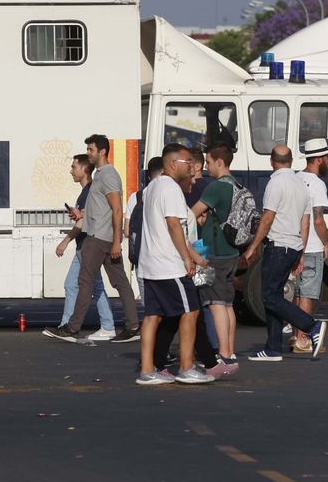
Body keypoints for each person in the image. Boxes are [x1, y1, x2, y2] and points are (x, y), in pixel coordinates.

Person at [135, 144, 213, 385]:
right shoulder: (171, 188)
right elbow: (174, 226)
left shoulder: (152, 187)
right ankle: (187, 367)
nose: (192, 167)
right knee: (191, 311)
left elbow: (166, 228)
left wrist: (195, 257)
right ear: (172, 164)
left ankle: (148, 370)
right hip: (169, 265)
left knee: (152, 316)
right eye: (187, 162)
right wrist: (187, 258)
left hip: (150, 263)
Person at [50, 134, 139, 342]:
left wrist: (117, 242)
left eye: (91, 150)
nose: (88, 153)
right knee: (120, 283)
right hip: (103, 236)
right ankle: (132, 326)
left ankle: (72, 329)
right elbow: (103, 209)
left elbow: (117, 210)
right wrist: (81, 215)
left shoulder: (108, 175)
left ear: (102, 151)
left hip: (99, 238)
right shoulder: (100, 175)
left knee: (85, 281)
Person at [241, 144, 326, 362]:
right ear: (290, 160)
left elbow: (268, 218)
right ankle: (273, 348)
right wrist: (301, 252)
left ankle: (311, 326)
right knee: (274, 297)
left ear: (272, 160)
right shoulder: (301, 184)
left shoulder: (275, 183)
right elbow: (305, 222)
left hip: (278, 245)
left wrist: (252, 246)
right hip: (294, 246)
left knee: (269, 297)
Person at [46, 154, 116, 342]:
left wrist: (65, 240)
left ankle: (68, 327)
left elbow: (85, 221)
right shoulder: (85, 192)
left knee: (74, 284)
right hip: (88, 245)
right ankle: (106, 325)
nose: (71, 171)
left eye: (73, 167)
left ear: (84, 170)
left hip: (88, 245)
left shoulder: (89, 192)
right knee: (94, 285)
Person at [190, 142, 242, 376]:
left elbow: (191, 213)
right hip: (232, 251)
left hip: (214, 253)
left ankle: (223, 355)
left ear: (219, 162)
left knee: (215, 305)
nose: (206, 167)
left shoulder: (215, 187)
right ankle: (230, 352)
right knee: (228, 304)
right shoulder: (237, 184)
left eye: (209, 162)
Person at [293, 137, 328, 354]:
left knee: (297, 293)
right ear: (318, 159)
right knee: (307, 294)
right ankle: (302, 339)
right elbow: (318, 219)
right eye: (327, 157)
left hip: (295, 244)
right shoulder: (317, 184)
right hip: (312, 246)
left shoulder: (296, 178)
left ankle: (295, 335)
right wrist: (326, 242)